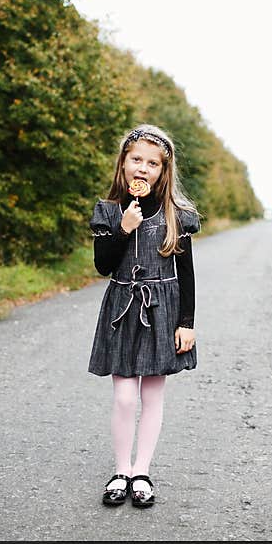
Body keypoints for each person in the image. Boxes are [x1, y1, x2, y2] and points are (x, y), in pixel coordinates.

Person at [88, 124, 201, 508]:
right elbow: (102, 266)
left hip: (163, 307)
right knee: (123, 397)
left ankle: (141, 472)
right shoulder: (108, 211)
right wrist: (123, 228)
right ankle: (120, 471)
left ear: (163, 171)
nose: (143, 168)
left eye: (152, 163)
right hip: (123, 306)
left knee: (152, 395)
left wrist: (187, 322)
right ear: (123, 164)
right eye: (136, 159)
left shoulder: (177, 214)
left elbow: (186, 274)